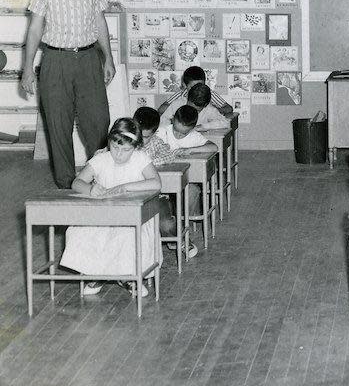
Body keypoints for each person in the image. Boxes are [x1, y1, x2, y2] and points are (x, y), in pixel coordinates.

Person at [19, 0, 116, 189]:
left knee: (98, 121)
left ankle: (99, 176)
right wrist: (27, 69)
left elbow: (100, 23)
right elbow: (35, 29)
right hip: (56, 59)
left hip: (87, 58)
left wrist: (108, 58)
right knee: (58, 123)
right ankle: (66, 184)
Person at [60, 118, 161, 298]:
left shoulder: (140, 159)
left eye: (126, 150)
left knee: (126, 235)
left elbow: (156, 183)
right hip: (105, 215)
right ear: (109, 142)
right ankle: (98, 274)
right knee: (80, 232)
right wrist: (90, 188)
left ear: (136, 147)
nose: (119, 154)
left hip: (134, 217)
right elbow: (77, 182)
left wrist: (125, 187)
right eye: (115, 147)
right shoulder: (101, 159)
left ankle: (130, 277)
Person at [133, 106, 199, 260]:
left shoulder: (156, 142)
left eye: (146, 136)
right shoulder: (126, 141)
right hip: (129, 196)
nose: (141, 140)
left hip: (155, 195)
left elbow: (168, 156)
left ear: (154, 132)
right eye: (138, 134)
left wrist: (142, 164)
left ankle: (180, 240)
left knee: (166, 224)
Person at [159, 65, 232, 117]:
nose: (197, 89)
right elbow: (161, 109)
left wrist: (214, 110)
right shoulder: (180, 94)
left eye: (200, 85)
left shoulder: (209, 94)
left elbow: (229, 108)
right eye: (193, 87)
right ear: (184, 85)